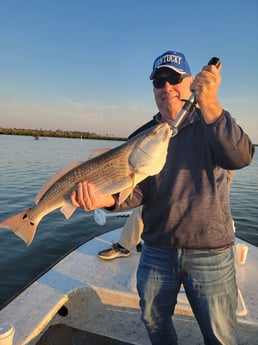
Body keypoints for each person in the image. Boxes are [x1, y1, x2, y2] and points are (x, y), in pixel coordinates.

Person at [71, 50, 254, 345]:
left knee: (220, 335)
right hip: (156, 250)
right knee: (154, 322)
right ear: (154, 89)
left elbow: (241, 156)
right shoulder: (143, 135)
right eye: (159, 81)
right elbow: (140, 191)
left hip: (210, 252)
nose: (167, 86)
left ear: (190, 82)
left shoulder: (213, 123)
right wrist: (107, 200)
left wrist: (211, 106)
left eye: (174, 78)